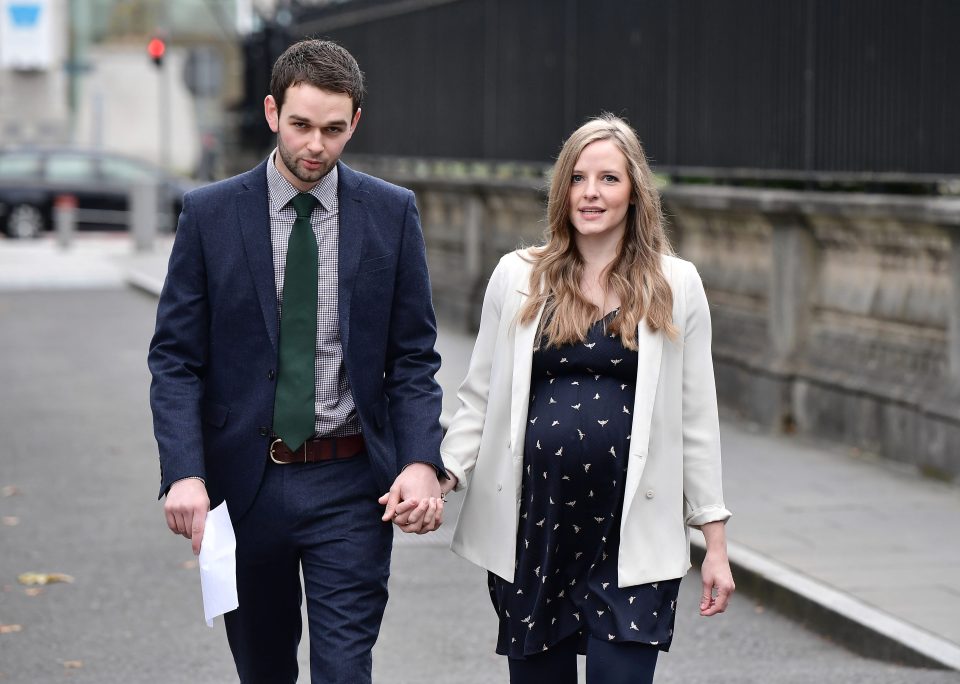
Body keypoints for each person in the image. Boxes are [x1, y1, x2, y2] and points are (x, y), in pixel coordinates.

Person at [148, 39, 446, 684]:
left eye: (334, 130)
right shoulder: (210, 214)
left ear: (355, 123)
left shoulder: (391, 214)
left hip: (350, 486)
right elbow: (175, 359)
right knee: (263, 669)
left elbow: (413, 357)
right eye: (302, 125)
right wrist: (184, 472)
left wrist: (422, 460)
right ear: (271, 111)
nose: (317, 145)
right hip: (241, 488)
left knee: (344, 671)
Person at [438, 114, 735, 684]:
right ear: (561, 189)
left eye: (608, 179)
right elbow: (479, 395)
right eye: (577, 178)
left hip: (633, 534)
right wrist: (444, 472)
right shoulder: (516, 276)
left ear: (635, 192)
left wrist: (714, 543)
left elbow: (697, 418)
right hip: (534, 527)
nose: (591, 193)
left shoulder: (676, 285)